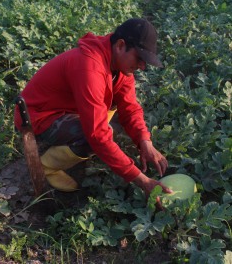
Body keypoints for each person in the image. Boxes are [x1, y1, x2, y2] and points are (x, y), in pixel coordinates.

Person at [14, 18, 172, 204]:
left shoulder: (121, 67)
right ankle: (46, 166)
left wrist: (145, 142)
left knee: (113, 106)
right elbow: (97, 135)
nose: (142, 66)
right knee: (94, 137)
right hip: (38, 117)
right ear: (121, 45)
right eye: (140, 58)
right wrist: (142, 180)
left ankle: (70, 144)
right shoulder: (89, 67)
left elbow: (130, 108)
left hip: (67, 108)